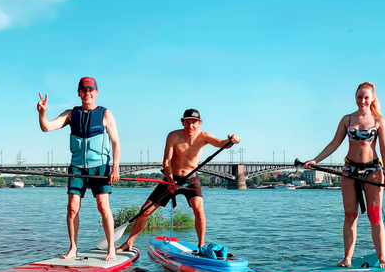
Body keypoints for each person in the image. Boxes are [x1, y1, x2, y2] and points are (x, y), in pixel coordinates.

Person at [116, 109, 239, 252]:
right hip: (171, 178)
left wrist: (232, 140)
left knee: (199, 210)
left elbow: (222, 143)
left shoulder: (205, 137)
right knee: (145, 210)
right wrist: (170, 182)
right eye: (187, 122)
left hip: (191, 178)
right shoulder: (173, 136)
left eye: (194, 123)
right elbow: (166, 161)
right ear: (183, 122)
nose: (190, 126)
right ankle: (129, 242)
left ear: (199, 123)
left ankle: (200, 247)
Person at [303, 82, 385, 268]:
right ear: (355, 97)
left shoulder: (379, 121)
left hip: (373, 171)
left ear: (373, 98)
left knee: (375, 216)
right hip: (349, 171)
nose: (362, 101)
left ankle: (382, 258)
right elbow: (334, 143)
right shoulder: (347, 119)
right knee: (349, 215)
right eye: (359, 97)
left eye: (366, 97)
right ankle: (347, 258)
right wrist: (316, 160)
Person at [37, 77, 121, 261]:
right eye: (84, 90)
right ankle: (73, 248)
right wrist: (42, 113)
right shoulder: (70, 114)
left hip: (99, 167)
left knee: (103, 207)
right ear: (79, 93)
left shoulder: (105, 114)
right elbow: (46, 127)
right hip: (76, 168)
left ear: (96, 92)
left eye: (91, 90)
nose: (87, 93)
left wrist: (115, 168)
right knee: (72, 208)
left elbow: (116, 142)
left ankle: (111, 250)